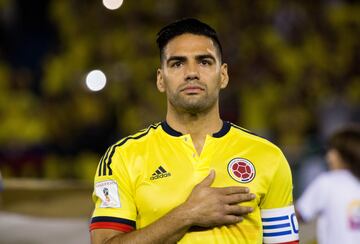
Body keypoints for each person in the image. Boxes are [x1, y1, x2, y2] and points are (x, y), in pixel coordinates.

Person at [90, 18, 299, 244]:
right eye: (178, 63)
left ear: (224, 75)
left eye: (204, 62)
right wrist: (188, 214)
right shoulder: (123, 157)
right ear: (161, 79)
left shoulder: (268, 157)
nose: (191, 73)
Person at [296, 124, 360, 244]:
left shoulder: (327, 183)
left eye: (331, 151)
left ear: (342, 154)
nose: (327, 157)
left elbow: (297, 215)